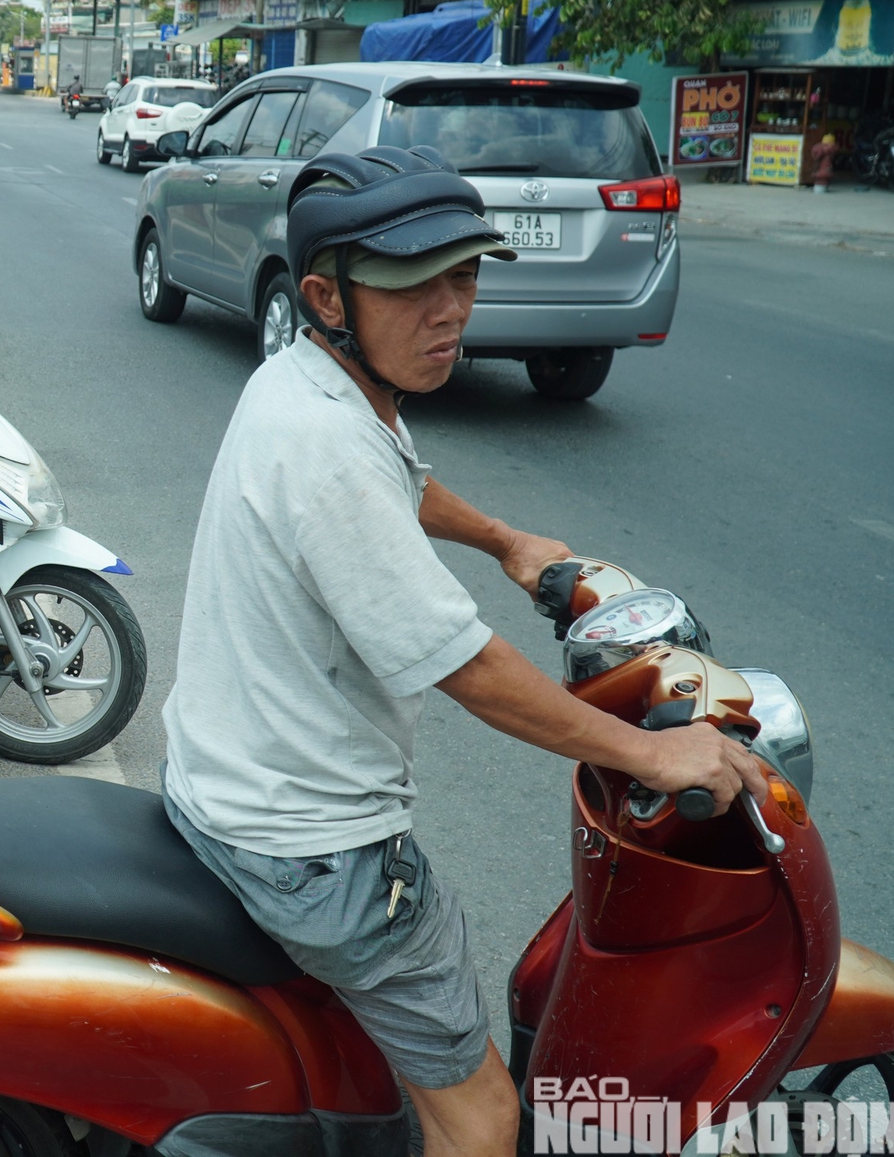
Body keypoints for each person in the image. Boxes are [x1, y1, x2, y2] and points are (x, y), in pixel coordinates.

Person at [159, 146, 767, 1157]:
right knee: (483, 1115)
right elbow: (468, 667)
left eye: (465, 276)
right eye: (412, 287)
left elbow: (399, 480)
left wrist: (503, 541)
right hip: (315, 850)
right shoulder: (325, 444)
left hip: (224, 784)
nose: (450, 312)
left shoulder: (307, 381)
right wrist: (654, 753)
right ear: (326, 297)